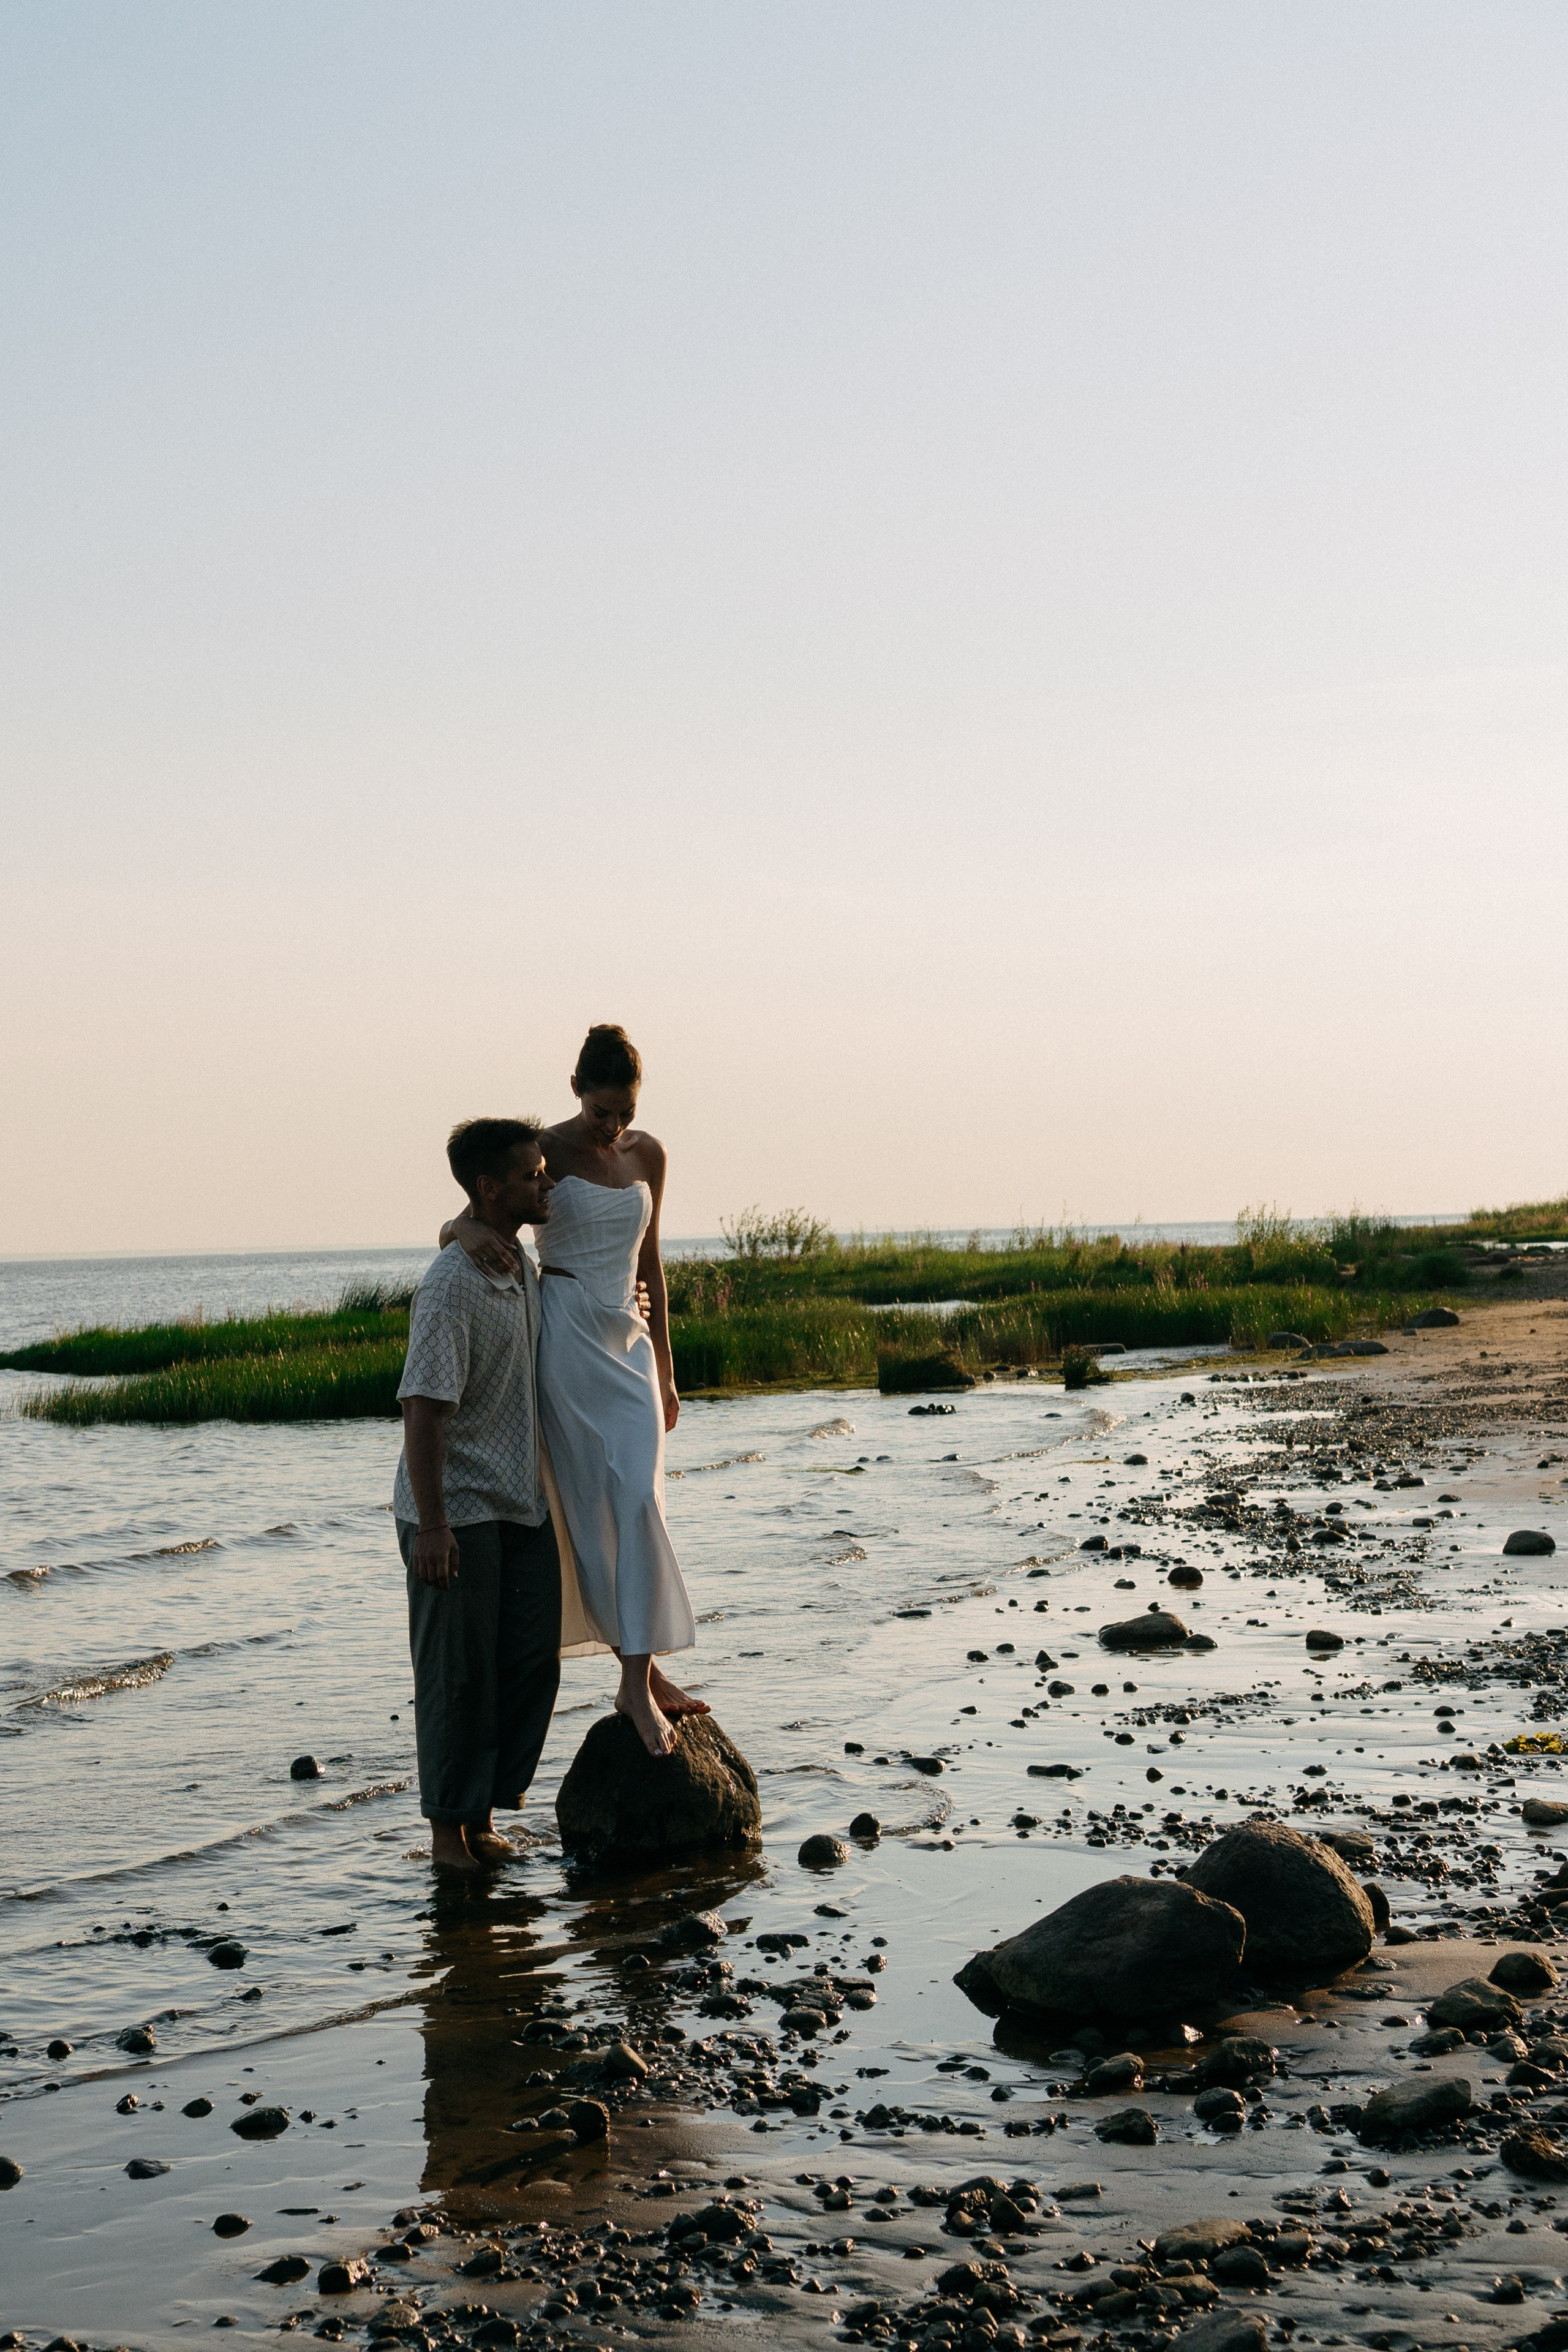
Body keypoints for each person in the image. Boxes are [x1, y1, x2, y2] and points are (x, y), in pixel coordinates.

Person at [443, 1023, 702, 1758]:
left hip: (630, 1342)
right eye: (601, 1111)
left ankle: (639, 1675)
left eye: (625, 1111)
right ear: (575, 1090)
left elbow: (651, 1265)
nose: (613, 1125)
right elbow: (474, 1209)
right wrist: (460, 1233)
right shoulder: (544, 1151)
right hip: (565, 1338)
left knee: (642, 1499)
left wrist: (667, 1368)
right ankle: (636, 1679)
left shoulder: (649, 1154)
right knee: (593, 1511)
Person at [395, 1117, 568, 1872]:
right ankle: (448, 1838)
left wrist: (459, 1225)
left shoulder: (515, 1259)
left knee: (530, 1662)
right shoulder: (451, 1285)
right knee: (457, 1678)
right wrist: (433, 1527)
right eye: (532, 1175)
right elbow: (421, 1409)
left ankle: (485, 1814)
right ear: (490, 1188)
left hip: (520, 1503)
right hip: (456, 1510)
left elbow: (466, 1223)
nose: (546, 1182)